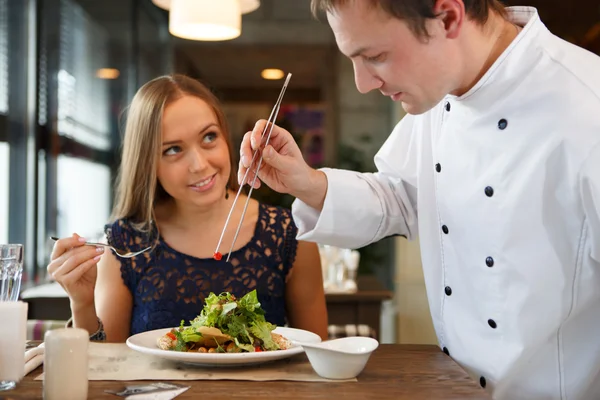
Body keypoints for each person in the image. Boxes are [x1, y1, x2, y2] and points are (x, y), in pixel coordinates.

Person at [238, 1, 600, 399]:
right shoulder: (436, 97)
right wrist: (306, 182)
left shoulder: (587, 105)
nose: (362, 83)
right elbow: (398, 196)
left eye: (375, 56)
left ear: (447, 17)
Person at [47, 74, 328, 342]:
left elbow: (317, 356)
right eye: (173, 150)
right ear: (148, 164)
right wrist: (82, 303)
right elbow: (106, 368)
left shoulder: (289, 234)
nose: (199, 164)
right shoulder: (125, 242)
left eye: (209, 137)